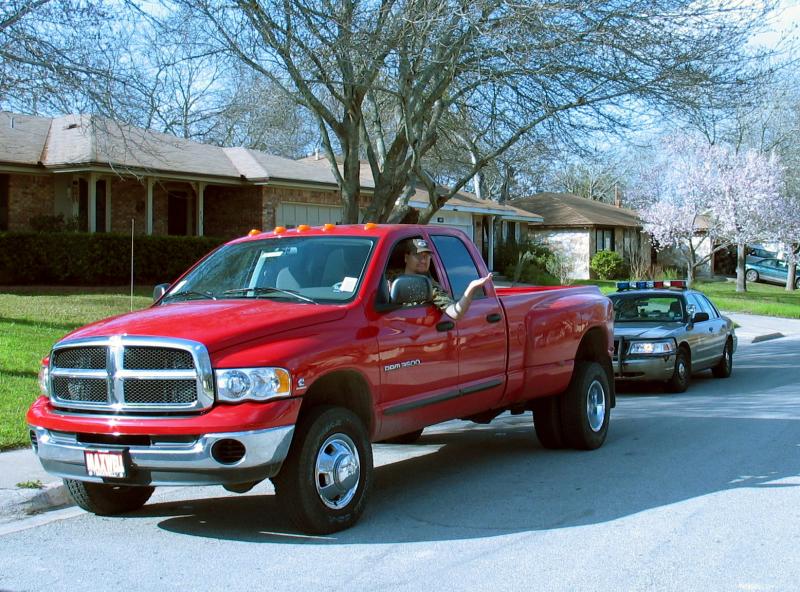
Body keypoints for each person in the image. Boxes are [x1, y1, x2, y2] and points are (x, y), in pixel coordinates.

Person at [388, 238, 492, 321]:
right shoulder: (388, 276)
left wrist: (471, 287)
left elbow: (455, 312)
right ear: (406, 257)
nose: (423, 260)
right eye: (417, 255)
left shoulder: (431, 287)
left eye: (426, 256)